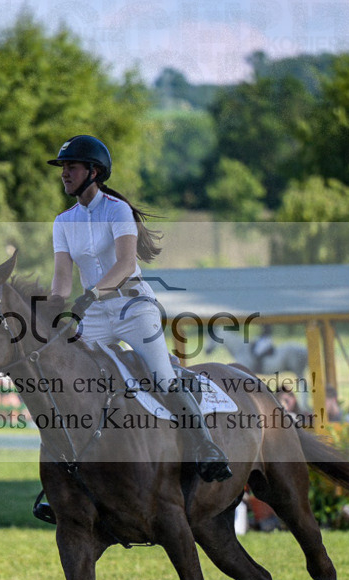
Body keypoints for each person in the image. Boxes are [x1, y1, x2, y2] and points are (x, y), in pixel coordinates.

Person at [33, 135, 232, 523]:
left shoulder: (117, 210)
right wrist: (50, 312)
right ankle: (61, 483)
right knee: (72, 383)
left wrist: (90, 296)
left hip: (132, 305)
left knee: (161, 377)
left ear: (94, 172)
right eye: (63, 169)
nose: (65, 175)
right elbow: (61, 279)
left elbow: (125, 264)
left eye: (71, 167)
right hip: (92, 314)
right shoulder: (63, 222)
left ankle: (206, 447)